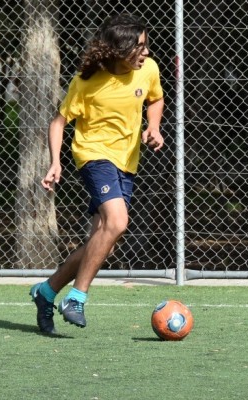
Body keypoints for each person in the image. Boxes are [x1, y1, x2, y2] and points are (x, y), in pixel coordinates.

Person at [29, 13, 165, 334]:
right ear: (119, 49)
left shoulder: (148, 70)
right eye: (139, 46)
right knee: (117, 223)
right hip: (93, 156)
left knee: (103, 242)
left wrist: (154, 126)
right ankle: (76, 298)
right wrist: (55, 162)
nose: (145, 52)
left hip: (126, 162)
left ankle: (47, 292)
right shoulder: (87, 82)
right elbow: (59, 122)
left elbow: (156, 99)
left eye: (146, 45)